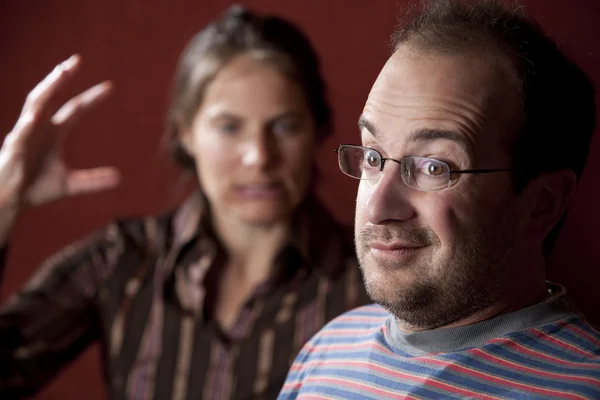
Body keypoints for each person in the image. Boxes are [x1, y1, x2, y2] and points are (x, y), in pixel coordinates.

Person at [0, 6, 369, 400]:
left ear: (318, 129)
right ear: (186, 133)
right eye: (229, 126)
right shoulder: (122, 259)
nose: (259, 157)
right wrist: (4, 201)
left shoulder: (367, 283)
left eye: (284, 126)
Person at [279, 0, 600, 398]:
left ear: (541, 204)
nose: (378, 209)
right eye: (374, 157)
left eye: (434, 167)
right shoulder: (325, 353)